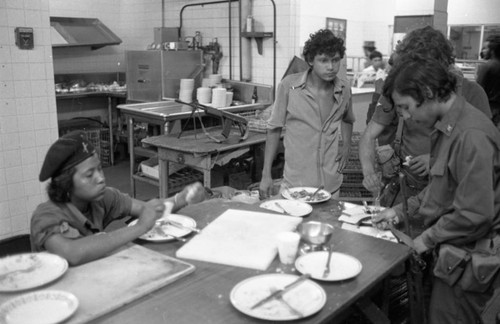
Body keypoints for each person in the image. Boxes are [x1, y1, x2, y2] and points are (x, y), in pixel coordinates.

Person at [372, 53, 500, 324]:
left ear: (428, 92)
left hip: (465, 259)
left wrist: (425, 240)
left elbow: (475, 213)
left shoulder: (471, 135)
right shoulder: (447, 129)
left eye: (406, 107)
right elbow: (442, 190)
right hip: (450, 255)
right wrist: (397, 212)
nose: (405, 117)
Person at [359, 26, 491, 228]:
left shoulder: (472, 98)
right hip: (409, 189)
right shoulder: (401, 88)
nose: (409, 115)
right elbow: (369, 135)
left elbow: (475, 169)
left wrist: (435, 161)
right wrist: (370, 172)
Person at [31, 131, 206, 266]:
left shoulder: (103, 198)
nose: (100, 178)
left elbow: (149, 210)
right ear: (66, 183)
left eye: (99, 169)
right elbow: (73, 253)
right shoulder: (46, 216)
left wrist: (181, 199)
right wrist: (140, 227)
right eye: (89, 174)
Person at [259, 29, 354, 199]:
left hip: (331, 186)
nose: (331, 67)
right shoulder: (289, 86)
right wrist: (266, 175)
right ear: (310, 60)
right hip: (295, 185)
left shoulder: (345, 89)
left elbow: (347, 119)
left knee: (325, 226)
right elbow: (273, 130)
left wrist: (346, 145)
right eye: (323, 60)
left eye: (335, 60)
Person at [476, 34, 500, 128]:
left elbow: (478, 91)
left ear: (492, 50)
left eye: (485, 48)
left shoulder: (486, 67)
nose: (482, 51)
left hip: (487, 109)